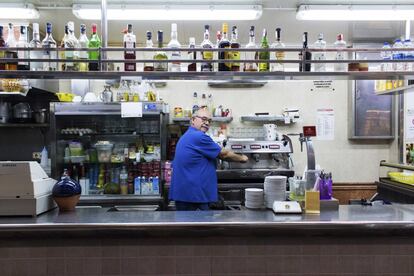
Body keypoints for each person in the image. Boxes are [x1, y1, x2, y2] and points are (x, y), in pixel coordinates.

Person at [169, 108, 248, 211]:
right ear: (193, 120)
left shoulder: (189, 135)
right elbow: (224, 155)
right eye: (203, 119)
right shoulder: (198, 136)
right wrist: (243, 158)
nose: (206, 123)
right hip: (194, 197)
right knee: (198, 226)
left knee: (188, 226)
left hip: (188, 194)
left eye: (209, 121)